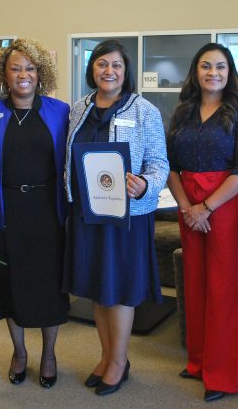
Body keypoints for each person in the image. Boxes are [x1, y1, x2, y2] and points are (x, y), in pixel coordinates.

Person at [64, 39, 169, 397]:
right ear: (91, 69)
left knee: (120, 288)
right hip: (88, 212)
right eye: (102, 64)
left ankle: (119, 361)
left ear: (126, 72)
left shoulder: (144, 111)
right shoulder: (79, 108)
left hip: (126, 216)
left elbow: (160, 164)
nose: (109, 71)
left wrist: (145, 185)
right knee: (97, 286)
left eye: (117, 66)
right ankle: (107, 355)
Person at [0, 38, 70, 389]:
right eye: (15, 68)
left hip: (47, 212)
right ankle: (20, 353)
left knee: (48, 286)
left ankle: (49, 354)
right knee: (9, 285)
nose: (23, 74)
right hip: (5, 210)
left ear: (40, 74)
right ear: (3, 73)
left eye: (30, 68)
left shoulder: (60, 111)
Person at [166, 43, 238, 403]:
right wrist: (188, 206)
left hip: (225, 204)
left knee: (224, 288)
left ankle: (222, 375)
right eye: (205, 66)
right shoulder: (183, 111)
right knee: (195, 283)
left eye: (220, 66)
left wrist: (206, 207)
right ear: (196, 71)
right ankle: (199, 361)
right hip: (188, 202)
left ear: (230, 72)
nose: (213, 73)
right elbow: (170, 165)